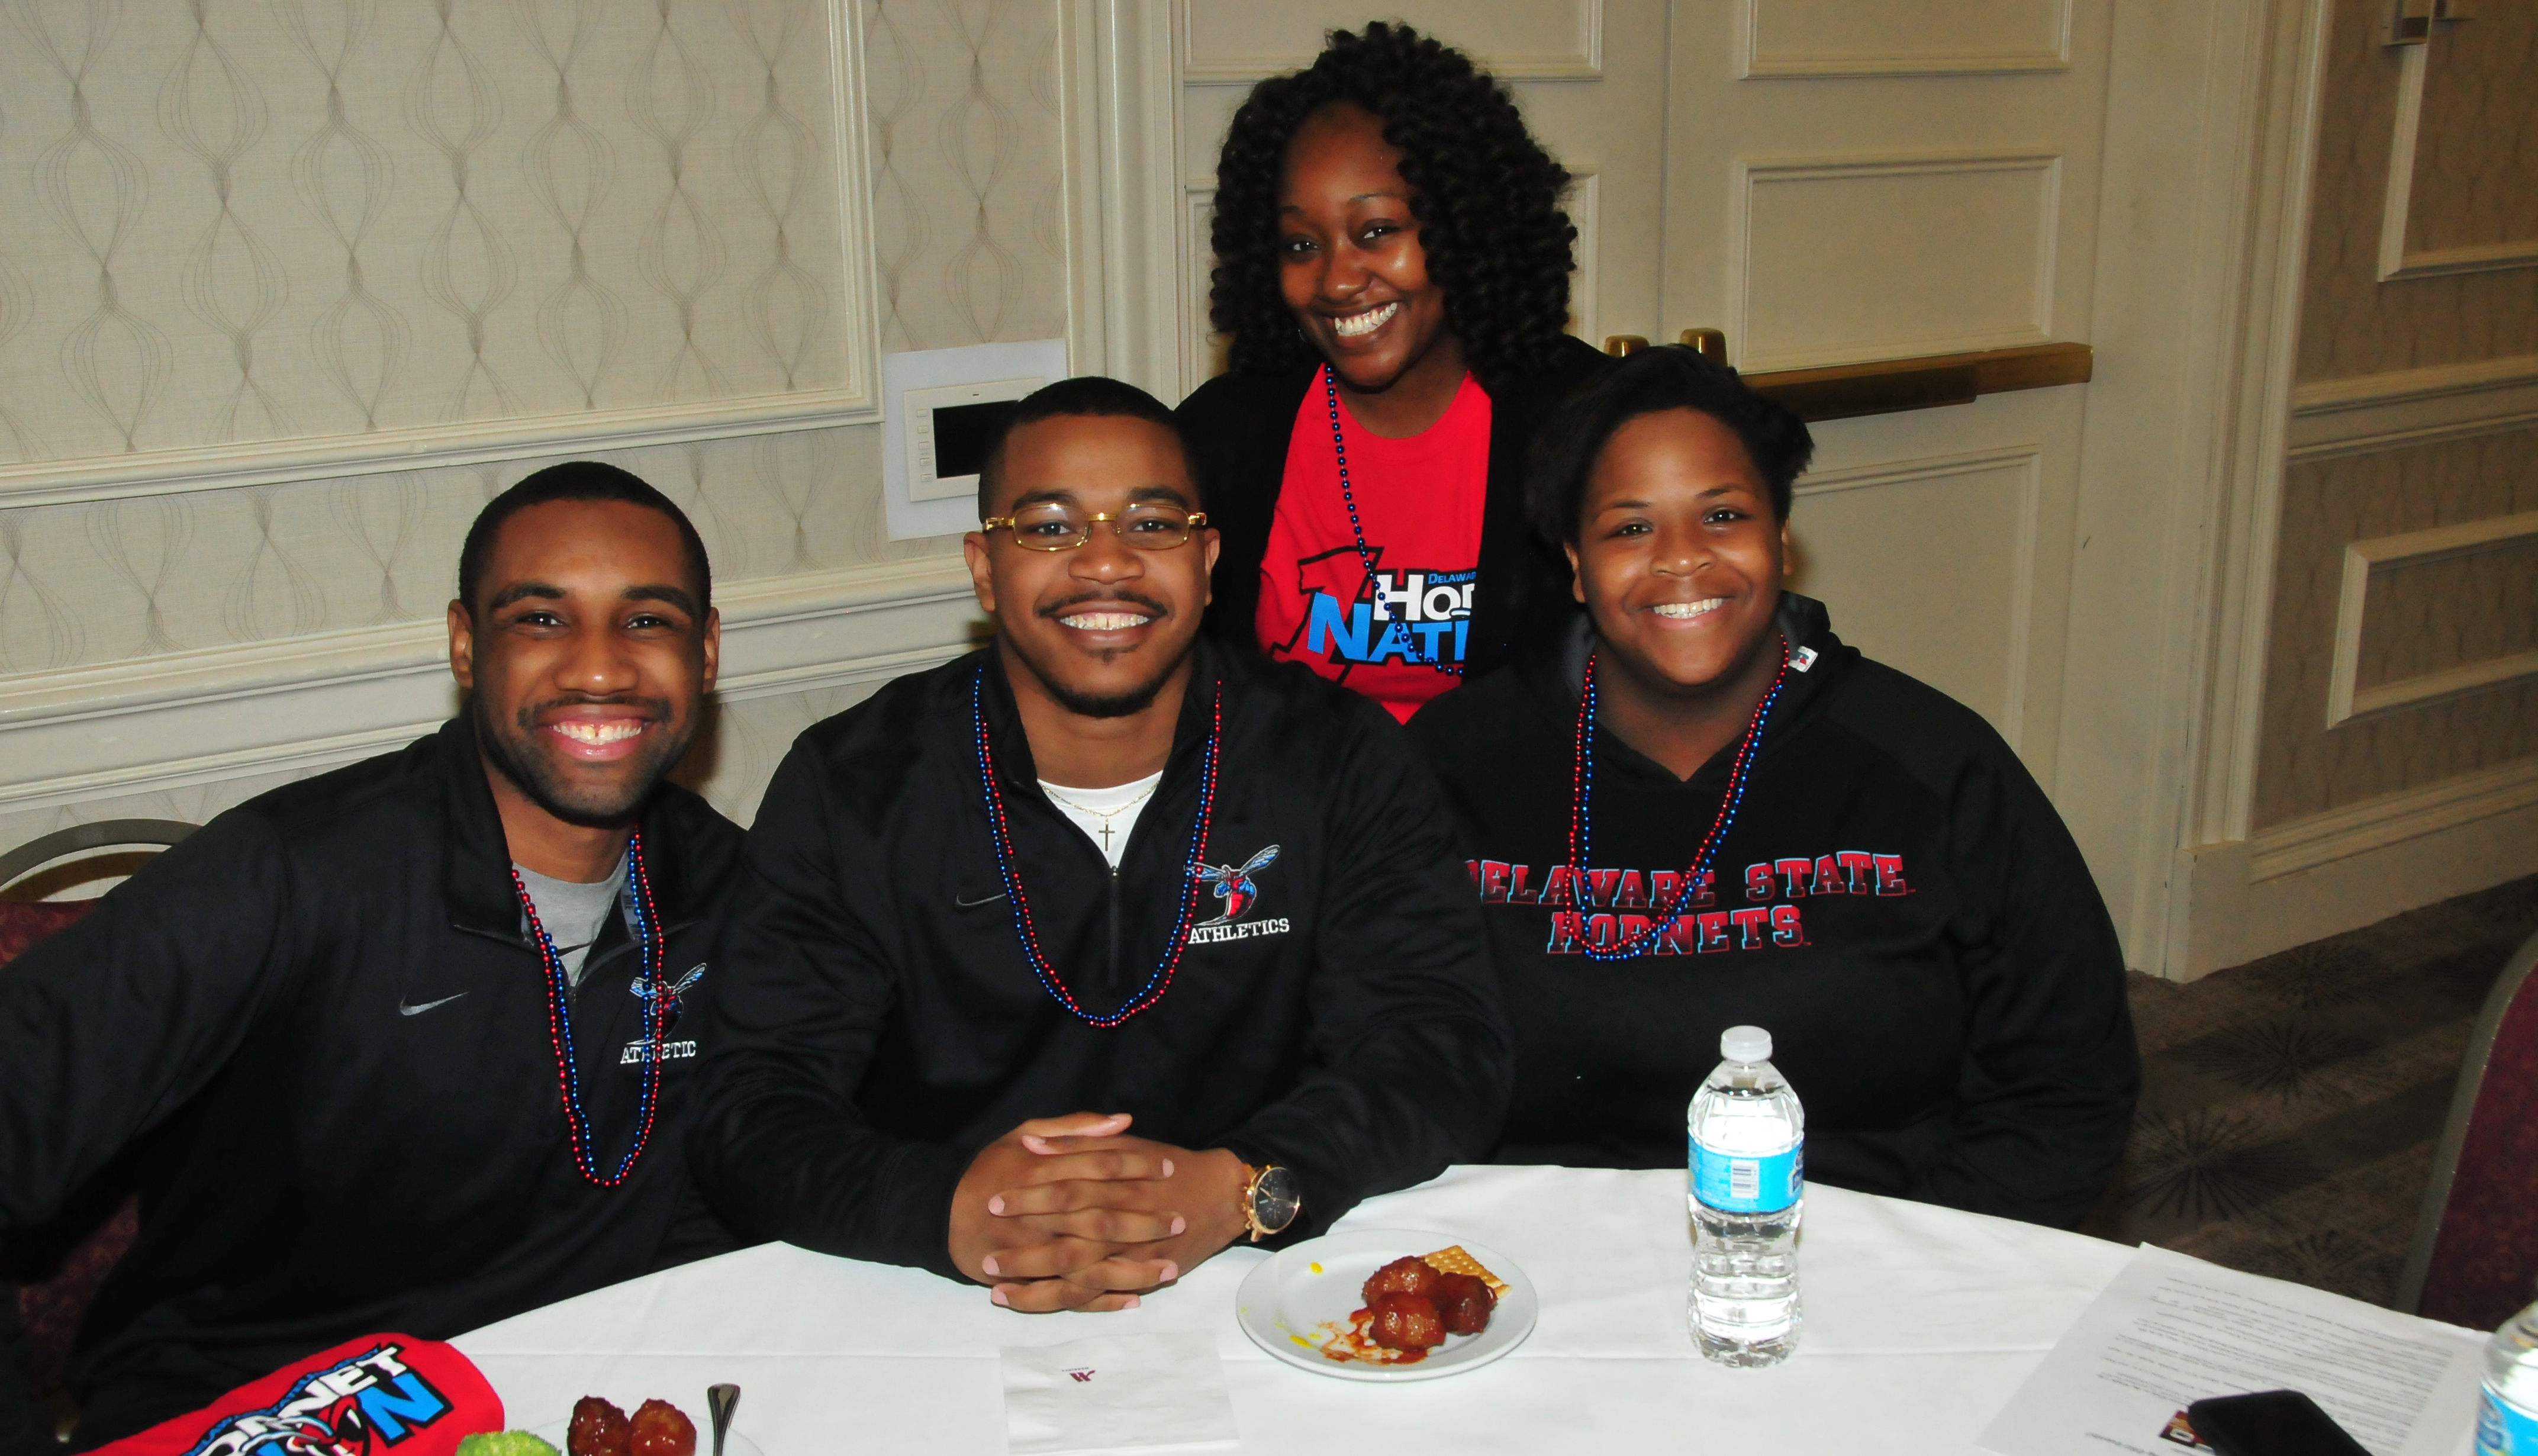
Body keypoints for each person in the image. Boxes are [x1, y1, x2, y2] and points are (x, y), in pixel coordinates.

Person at [690, 378, 1509, 1312]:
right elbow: (749, 1103)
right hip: (932, 1292)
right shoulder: (857, 782)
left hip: (1274, 1277)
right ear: (984, 567)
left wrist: (1245, 1183)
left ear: (1207, 560)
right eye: (1049, 528)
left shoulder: (1336, 757)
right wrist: (945, 1208)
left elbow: (1442, 1048)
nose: (1106, 564)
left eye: (1153, 526)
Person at [0, 463, 746, 1448]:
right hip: (258, 1410)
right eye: (541, 619)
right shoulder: (287, 876)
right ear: (465, 645)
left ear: (707, 651)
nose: (600, 668)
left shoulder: (737, 892)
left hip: (575, 1402)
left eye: (647, 620)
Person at [1406, 347, 2139, 1228]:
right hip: (1526, 1264)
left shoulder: (1933, 765)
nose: (1682, 560)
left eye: (1722, 514)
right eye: (1630, 528)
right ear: (1573, 561)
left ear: (1781, 539)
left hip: (1871, 1261)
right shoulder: (1449, 764)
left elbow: (2065, 1084)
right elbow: (1368, 1046)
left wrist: (1937, 1274)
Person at [1177, 21, 1612, 723]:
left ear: (1464, 224)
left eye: (1376, 230)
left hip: (1511, 820)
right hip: (1298, 820)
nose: (1337, 279)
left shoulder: (1584, 425)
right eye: (1300, 243)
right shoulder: (1224, 439)